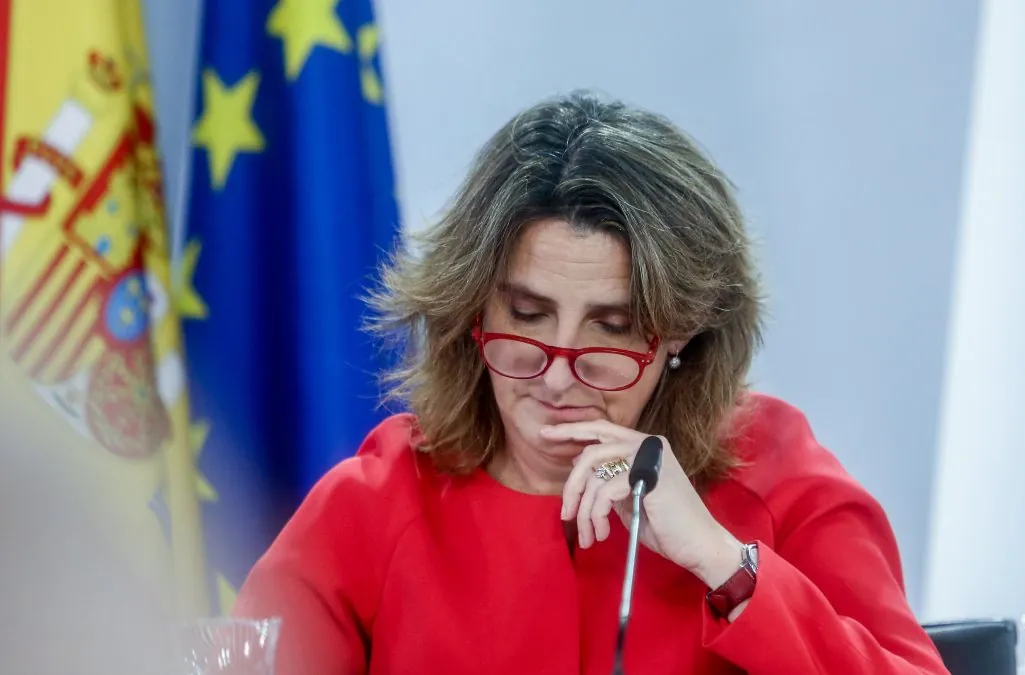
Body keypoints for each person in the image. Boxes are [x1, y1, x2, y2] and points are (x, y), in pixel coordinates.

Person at [234, 90, 950, 675]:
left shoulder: (778, 473)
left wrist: (724, 562)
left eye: (611, 328)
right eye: (527, 316)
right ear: (472, 312)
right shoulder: (374, 505)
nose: (556, 374)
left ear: (682, 333)